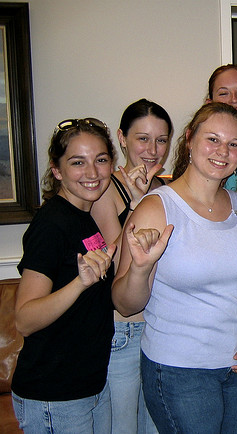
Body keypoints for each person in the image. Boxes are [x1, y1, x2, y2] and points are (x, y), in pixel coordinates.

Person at [111, 102, 237, 434]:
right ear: (189, 140)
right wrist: (141, 268)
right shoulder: (156, 208)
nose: (222, 151)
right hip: (180, 372)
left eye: (233, 144)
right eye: (212, 139)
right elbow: (126, 304)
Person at [12, 118, 116, 433]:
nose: (93, 172)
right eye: (77, 162)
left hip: (90, 385)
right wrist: (79, 283)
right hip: (54, 394)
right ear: (57, 170)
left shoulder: (85, 215)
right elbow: (25, 320)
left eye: (100, 160)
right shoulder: (51, 225)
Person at [90, 98, 172, 434]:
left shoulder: (164, 189)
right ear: (122, 138)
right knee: (122, 427)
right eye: (143, 138)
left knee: (155, 425)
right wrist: (137, 204)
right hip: (124, 328)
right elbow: (113, 261)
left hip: (160, 325)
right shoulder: (103, 189)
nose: (152, 150)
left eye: (161, 140)